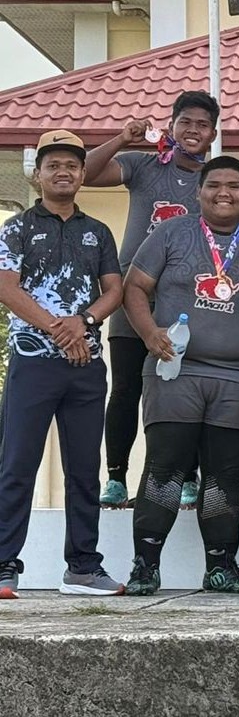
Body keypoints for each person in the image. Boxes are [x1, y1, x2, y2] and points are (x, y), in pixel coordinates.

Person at [121, 157, 239, 595]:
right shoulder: (173, 231)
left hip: (237, 376)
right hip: (175, 369)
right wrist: (149, 333)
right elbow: (134, 287)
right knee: (166, 469)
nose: (224, 193)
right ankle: (145, 566)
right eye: (214, 185)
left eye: (234, 186)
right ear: (198, 193)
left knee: (224, 475)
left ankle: (221, 566)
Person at [0, 131, 124, 599]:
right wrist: (60, 328)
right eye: (53, 164)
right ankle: (3, 565)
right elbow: (6, 287)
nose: (64, 172)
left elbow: (113, 289)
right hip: (34, 363)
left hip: (86, 365)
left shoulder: (98, 232)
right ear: (38, 174)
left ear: (83, 173)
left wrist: (85, 321)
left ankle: (83, 568)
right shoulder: (16, 228)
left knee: (83, 468)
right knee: (16, 464)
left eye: (72, 165)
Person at [84, 91, 219, 510]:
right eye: (186, 122)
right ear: (173, 125)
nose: (193, 130)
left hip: (185, 300)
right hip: (131, 295)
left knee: (186, 390)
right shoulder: (144, 166)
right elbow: (85, 172)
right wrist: (123, 138)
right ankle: (117, 478)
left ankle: (189, 477)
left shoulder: (214, 178)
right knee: (125, 388)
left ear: (213, 133)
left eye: (202, 124)